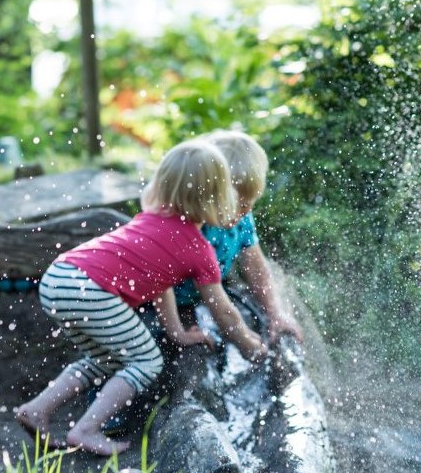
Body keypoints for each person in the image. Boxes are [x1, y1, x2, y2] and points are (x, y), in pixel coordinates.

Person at [15, 140, 269, 456]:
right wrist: (249, 345)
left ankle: (37, 409)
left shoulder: (153, 220)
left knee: (104, 360)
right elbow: (223, 310)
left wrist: (176, 332)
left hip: (59, 279)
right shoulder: (198, 249)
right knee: (146, 361)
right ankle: (85, 430)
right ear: (217, 197)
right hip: (91, 291)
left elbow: (160, 282)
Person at [173, 129, 303, 343]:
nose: (244, 211)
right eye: (237, 204)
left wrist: (275, 313)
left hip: (207, 294)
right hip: (172, 301)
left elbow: (255, 264)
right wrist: (243, 340)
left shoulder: (242, 218)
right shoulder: (192, 223)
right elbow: (210, 293)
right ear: (208, 193)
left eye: (249, 203)